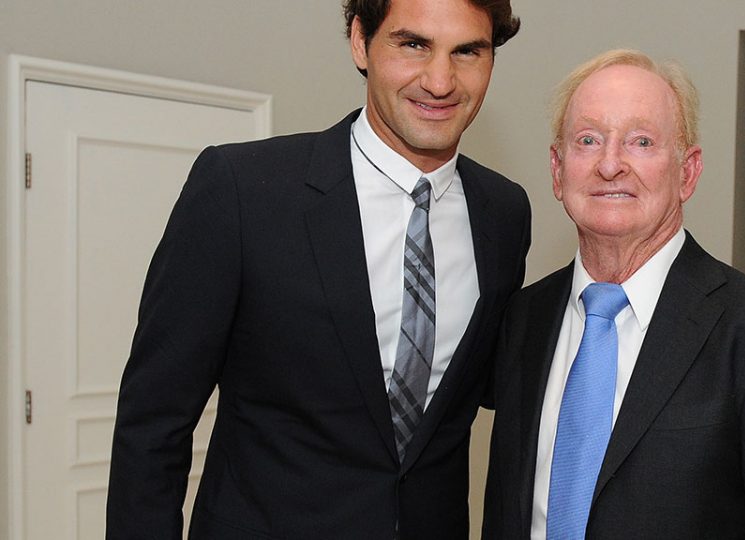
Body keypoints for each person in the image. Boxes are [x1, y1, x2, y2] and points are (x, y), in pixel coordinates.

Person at [106, 0, 529, 538]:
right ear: (360, 41)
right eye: (413, 44)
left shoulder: (504, 211)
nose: (440, 80)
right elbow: (152, 422)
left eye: (468, 51)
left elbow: (488, 384)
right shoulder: (241, 190)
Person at [482, 49, 745, 540]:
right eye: (588, 140)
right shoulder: (522, 318)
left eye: (641, 141)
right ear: (557, 170)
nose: (611, 164)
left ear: (687, 172)